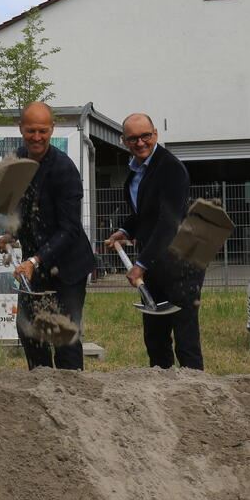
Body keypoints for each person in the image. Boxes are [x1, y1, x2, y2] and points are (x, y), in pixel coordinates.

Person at [0, 101, 95, 370]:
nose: (36, 137)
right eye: (30, 131)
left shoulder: (64, 170)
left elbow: (69, 229)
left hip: (68, 267)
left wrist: (34, 260)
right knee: (29, 330)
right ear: (21, 129)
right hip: (35, 266)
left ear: (51, 129)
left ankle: (70, 396)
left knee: (63, 336)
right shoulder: (17, 160)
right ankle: (39, 384)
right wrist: (11, 234)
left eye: (42, 131)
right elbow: (22, 208)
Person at [105, 113, 204, 370]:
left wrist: (140, 264)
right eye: (133, 138)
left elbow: (168, 222)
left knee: (185, 337)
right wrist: (125, 230)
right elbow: (145, 214)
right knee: (155, 337)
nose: (140, 143)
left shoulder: (170, 168)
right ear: (124, 141)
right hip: (155, 266)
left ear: (156, 135)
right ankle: (162, 395)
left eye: (145, 136)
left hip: (182, 264)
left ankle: (196, 393)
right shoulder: (136, 172)